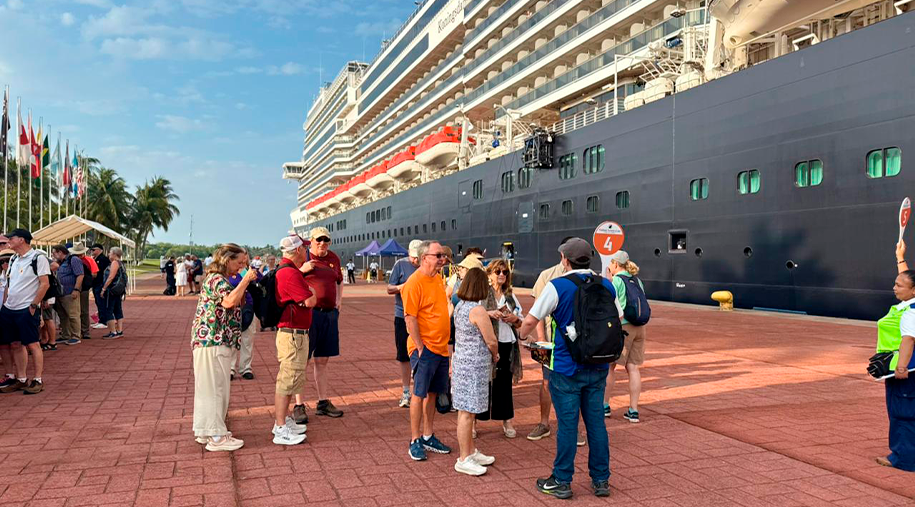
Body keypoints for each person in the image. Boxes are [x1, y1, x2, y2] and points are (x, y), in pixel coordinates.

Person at [519, 237, 622, 499]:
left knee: (567, 426)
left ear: (565, 260)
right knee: (596, 424)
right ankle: (601, 480)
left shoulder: (557, 286)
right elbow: (618, 316)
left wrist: (522, 336)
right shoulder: (606, 285)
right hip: (598, 365)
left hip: (565, 366)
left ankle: (562, 480)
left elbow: (532, 320)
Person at [191, 243, 258, 452]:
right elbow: (229, 301)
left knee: (207, 388)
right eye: (239, 262)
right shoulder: (218, 280)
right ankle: (217, 435)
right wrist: (245, 281)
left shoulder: (214, 278)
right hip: (214, 339)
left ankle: (205, 430)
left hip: (208, 340)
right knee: (216, 388)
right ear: (227, 260)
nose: (242, 266)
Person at [401, 240, 453, 461]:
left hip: (440, 348)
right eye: (438, 255)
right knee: (419, 393)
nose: (443, 259)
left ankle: (428, 435)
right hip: (424, 348)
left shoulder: (438, 279)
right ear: (424, 258)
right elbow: (410, 318)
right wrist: (420, 347)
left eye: (442, 255)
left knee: (432, 393)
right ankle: (414, 439)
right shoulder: (414, 283)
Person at [451, 267, 500, 475]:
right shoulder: (477, 310)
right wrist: (495, 354)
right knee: (467, 413)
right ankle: (463, 458)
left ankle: (470, 452)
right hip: (474, 367)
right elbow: (491, 339)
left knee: (467, 411)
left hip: (463, 363)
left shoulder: (460, 306)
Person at [527, 237, 576, 443]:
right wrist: (541, 340)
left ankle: (574, 428)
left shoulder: (587, 278)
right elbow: (537, 312)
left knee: (575, 383)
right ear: (563, 254)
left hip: (577, 342)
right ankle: (544, 423)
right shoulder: (547, 276)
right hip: (549, 340)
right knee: (547, 382)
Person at [295, 227, 345, 419]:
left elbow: (339, 280)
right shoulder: (303, 257)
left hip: (329, 314)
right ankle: (299, 405)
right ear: (311, 241)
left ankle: (323, 402)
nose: (322, 243)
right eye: (319, 240)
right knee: (303, 360)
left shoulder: (333, 258)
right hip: (309, 314)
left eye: (326, 240)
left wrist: (340, 300)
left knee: (322, 360)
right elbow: (287, 278)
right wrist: (302, 270)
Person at [874, 240, 915, 471]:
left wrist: (901, 367)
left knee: (903, 415)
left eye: (899, 286)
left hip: (905, 369)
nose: (895, 288)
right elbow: (909, 279)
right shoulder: (912, 302)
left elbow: (908, 340)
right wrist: (900, 257)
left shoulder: (910, 312)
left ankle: (903, 459)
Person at [274, 234, 315, 445]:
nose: (307, 252)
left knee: (292, 379)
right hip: (292, 335)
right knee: (287, 379)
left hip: (295, 334)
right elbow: (310, 301)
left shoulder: (289, 271)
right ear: (298, 250)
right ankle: (280, 427)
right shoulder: (290, 273)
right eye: (304, 248)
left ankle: (283, 421)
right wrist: (312, 292)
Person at [476, 259, 523, 438]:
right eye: (498, 272)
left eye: (505, 272)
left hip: (506, 343)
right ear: (490, 274)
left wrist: (513, 319)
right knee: (483, 382)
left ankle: (506, 420)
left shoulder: (510, 296)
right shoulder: (482, 294)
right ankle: (474, 421)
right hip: (487, 344)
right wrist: (489, 314)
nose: (502, 275)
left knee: (504, 383)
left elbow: (521, 321)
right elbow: (473, 315)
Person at [0, 229, 50, 395]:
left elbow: (44, 283)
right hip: (10, 308)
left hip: (26, 308)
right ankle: (20, 379)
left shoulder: (37, 257)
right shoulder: (14, 258)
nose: (8, 241)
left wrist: (34, 305)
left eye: (11, 238)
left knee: (32, 343)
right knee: (13, 343)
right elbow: (9, 283)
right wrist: (6, 302)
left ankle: (37, 379)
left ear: (21, 240)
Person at [605, 250, 646, 423]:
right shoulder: (637, 280)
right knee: (633, 368)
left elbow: (611, 304)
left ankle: (604, 405)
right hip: (640, 327)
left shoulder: (617, 281)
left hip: (623, 327)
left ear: (615, 264)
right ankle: (633, 410)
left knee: (610, 366)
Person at [387, 239, 422, 408]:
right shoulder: (400, 265)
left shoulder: (426, 267)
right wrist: (403, 287)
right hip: (402, 315)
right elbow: (389, 288)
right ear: (409, 254)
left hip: (422, 317)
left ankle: (421, 390)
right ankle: (406, 391)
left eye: (419, 257)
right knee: (403, 355)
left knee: (422, 351)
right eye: (414, 257)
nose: (416, 261)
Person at [228, 261, 261, 380]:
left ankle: (246, 367)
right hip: (232, 308)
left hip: (248, 307)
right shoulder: (228, 272)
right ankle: (230, 368)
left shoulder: (249, 270)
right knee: (231, 339)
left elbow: (260, 282)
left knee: (247, 339)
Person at [52, 244, 84, 346]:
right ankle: (66, 335)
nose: (53, 256)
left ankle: (76, 336)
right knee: (63, 315)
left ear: (60, 252)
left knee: (73, 315)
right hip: (60, 293)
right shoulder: (61, 262)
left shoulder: (73, 259)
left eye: (54, 253)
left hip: (70, 292)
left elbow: (80, 275)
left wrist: (76, 289)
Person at [99, 247, 127, 339]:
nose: (108, 255)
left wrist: (104, 288)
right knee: (118, 309)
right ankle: (119, 330)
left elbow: (111, 277)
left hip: (111, 290)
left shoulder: (115, 263)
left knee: (108, 310)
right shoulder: (121, 263)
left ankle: (113, 331)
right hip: (118, 290)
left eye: (110, 253)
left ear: (115, 254)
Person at [72, 242, 96, 341]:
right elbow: (94, 274)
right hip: (84, 288)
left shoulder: (73, 260)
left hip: (78, 288)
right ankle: (84, 331)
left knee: (78, 311)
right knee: (83, 310)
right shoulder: (88, 260)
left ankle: (82, 330)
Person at [39, 261, 60, 351]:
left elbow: (46, 286)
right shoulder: (45, 271)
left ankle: (52, 342)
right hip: (46, 298)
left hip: (47, 298)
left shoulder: (45, 272)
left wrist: (45, 299)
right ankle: (46, 339)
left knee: (47, 319)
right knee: (45, 320)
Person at [90, 244, 111, 331]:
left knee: (101, 302)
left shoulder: (102, 259)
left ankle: (103, 321)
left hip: (100, 283)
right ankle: (101, 319)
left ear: (100, 250)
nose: (92, 252)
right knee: (98, 302)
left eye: (94, 250)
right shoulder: (96, 259)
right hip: (96, 284)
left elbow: (100, 273)